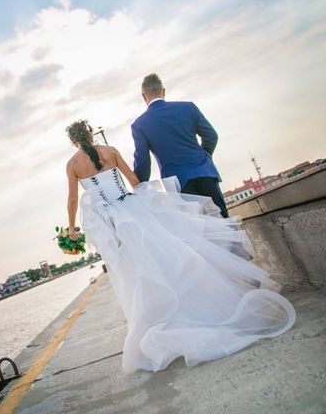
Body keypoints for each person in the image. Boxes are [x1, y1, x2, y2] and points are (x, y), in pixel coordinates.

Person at [65, 119, 295, 373]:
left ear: (73, 141)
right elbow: (133, 180)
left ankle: (156, 317)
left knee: (135, 273)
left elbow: (73, 198)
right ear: (89, 134)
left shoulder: (72, 165)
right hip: (134, 211)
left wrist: (72, 227)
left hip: (112, 224)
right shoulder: (109, 152)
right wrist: (150, 205)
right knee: (167, 258)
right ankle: (189, 308)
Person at [131, 73, 228, 217]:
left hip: (179, 183)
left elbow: (143, 162)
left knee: (202, 231)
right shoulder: (188, 108)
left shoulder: (139, 125)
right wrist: (204, 157)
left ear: (143, 96)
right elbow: (211, 136)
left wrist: (139, 185)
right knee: (225, 221)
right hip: (206, 173)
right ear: (163, 91)